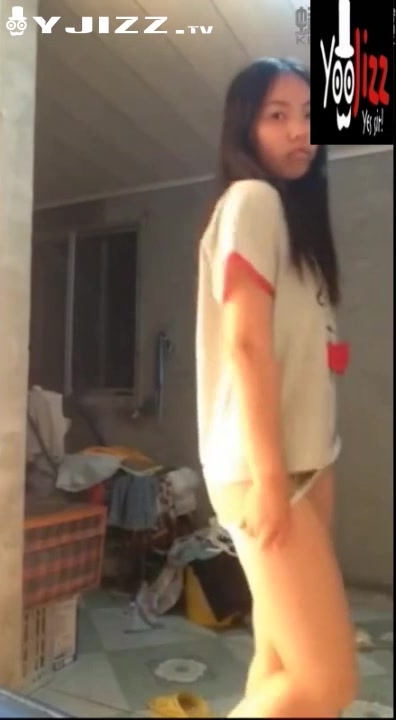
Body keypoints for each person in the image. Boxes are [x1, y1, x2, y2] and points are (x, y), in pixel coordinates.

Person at [195, 58, 358, 718]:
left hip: (305, 462)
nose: (300, 131)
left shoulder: (295, 226)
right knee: (328, 684)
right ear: (245, 126)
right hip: (265, 469)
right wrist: (268, 479)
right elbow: (246, 344)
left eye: (310, 117)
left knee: (281, 662)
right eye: (277, 115)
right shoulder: (252, 201)